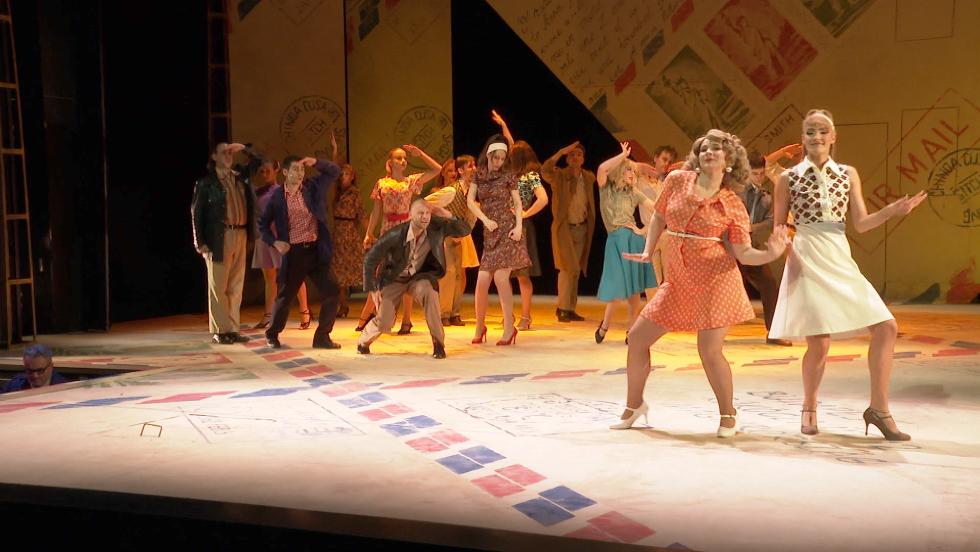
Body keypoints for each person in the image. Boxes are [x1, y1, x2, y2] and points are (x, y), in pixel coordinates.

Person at [613, 129, 789, 438]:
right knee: (638, 338)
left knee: (709, 351)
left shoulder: (732, 203)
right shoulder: (677, 180)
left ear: (729, 160)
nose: (708, 152)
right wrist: (648, 249)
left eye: (716, 149)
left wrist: (771, 254)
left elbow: (743, 253)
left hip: (716, 282)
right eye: (704, 147)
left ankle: (728, 414)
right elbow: (659, 216)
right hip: (678, 281)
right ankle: (634, 405)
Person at [769, 109, 927, 440]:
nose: (816, 136)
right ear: (802, 138)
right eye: (810, 131)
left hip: (839, 254)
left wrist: (893, 210)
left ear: (833, 136)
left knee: (886, 327)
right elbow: (779, 228)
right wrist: (787, 253)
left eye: (822, 131)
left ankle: (879, 409)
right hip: (807, 255)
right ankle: (809, 408)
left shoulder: (847, 174)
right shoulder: (788, 178)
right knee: (819, 342)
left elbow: (862, 223)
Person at [357, 199, 471, 358]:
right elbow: (371, 258)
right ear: (410, 215)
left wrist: (446, 214)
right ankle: (363, 341)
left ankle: (438, 344)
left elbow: (464, 230)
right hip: (394, 279)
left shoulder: (436, 227)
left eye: (427, 213)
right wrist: (372, 288)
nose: (425, 217)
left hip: (418, 277)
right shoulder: (396, 234)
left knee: (430, 293)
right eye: (420, 213)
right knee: (385, 321)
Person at [258, 155, 343, 349]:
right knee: (285, 297)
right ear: (285, 172)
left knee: (332, 291)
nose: (300, 173)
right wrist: (275, 242)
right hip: (295, 253)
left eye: (302, 169)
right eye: (295, 169)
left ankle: (322, 337)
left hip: (316, 250)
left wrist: (317, 163)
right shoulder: (277, 198)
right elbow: (263, 225)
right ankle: (272, 333)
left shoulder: (312, 188)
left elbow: (334, 172)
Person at [361, 145, 443, 334]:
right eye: (399, 158)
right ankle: (380, 315)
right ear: (390, 162)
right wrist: (368, 233)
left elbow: (437, 169)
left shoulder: (410, 181)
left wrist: (420, 154)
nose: (403, 161)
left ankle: (406, 320)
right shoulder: (382, 183)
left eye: (405, 158)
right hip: (387, 230)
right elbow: (376, 210)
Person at [191, 141, 258, 345]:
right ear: (214, 156)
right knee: (218, 286)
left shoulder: (240, 178)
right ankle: (220, 330)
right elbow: (196, 213)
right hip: (219, 236)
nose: (229, 156)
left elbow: (259, 161)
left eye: (230, 152)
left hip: (240, 234)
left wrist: (245, 149)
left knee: (236, 285)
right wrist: (200, 242)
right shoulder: (206, 183)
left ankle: (233, 329)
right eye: (224, 152)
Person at [467, 134, 530, 346]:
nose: (499, 162)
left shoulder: (508, 175)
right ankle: (479, 326)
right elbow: (470, 201)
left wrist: (519, 226)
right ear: (488, 155)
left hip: (509, 230)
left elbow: (518, 203)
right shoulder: (479, 175)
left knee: (501, 278)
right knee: (482, 280)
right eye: (496, 158)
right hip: (490, 232)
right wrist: (485, 220)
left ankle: (508, 328)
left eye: (502, 158)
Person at [594, 142, 658, 344]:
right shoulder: (607, 189)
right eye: (629, 170)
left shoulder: (634, 192)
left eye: (634, 171)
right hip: (616, 241)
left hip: (633, 240)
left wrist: (643, 230)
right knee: (617, 286)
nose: (633, 174)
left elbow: (657, 211)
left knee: (634, 288)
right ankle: (605, 325)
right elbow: (602, 169)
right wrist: (622, 156)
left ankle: (632, 330)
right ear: (620, 171)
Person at [491, 111, 549, 331]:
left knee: (522, 276)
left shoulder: (530, 176)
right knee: (503, 274)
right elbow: (510, 142)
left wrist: (524, 214)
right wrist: (504, 125)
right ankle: (508, 315)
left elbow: (543, 199)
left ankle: (525, 317)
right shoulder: (510, 174)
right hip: (505, 227)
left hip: (521, 228)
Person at [736, 152, 790, 346]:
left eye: (761, 174)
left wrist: (752, 228)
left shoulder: (765, 196)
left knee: (768, 284)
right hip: (731, 247)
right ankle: (710, 333)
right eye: (755, 174)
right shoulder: (736, 191)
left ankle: (773, 332)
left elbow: (770, 220)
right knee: (729, 288)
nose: (759, 178)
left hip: (751, 247)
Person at [251, 158, 311, 330]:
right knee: (269, 277)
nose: (264, 174)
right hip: (266, 238)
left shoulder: (283, 190)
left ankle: (304, 311)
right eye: (262, 171)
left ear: (277, 170)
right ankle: (268, 314)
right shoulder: (258, 192)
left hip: (283, 237)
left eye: (268, 171)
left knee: (294, 275)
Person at [541, 141, 596, 322]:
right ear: (566, 158)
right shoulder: (559, 176)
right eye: (571, 154)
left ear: (583, 158)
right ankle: (563, 308)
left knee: (575, 270)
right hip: (564, 229)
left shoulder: (588, 177)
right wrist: (559, 151)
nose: (575, 157)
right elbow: (545, 170)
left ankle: (570, 308)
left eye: (579, 154)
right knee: (566, 268)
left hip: (582, 228)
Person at [425, 154, 479, 326]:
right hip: (446, 236)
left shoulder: (470, 191)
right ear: (461, 170)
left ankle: (454, 312)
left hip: (459, 236)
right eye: (470, 166)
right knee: (447, 275)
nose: (474, 169)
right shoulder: (451, 191)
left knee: (457, 275)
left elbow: (470, 214)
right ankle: (443, 314)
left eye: (475, 165)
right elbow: (426, 203)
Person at [635, 145, 677, 288]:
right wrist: (641, 167)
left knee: (669, 280)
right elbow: (622, 168)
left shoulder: (669, 181)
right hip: (648, 232)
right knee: (652, 282)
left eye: (670, 161)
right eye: (664, 159)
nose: (667, 164)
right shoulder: (640, 179)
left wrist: (676, 166)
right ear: (655, 158)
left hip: (666, 233)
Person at [332, 162, 367, 320]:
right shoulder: (337, 192)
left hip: (349, 233)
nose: (343, 177)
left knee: (355, 269)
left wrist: (369, 233)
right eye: (341, 174)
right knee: (338, 272)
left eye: (346, 174)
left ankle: (372, 306)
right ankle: (342, 304)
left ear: (352, 177)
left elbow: (361, 214)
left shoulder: (354, 193)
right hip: (338, 233)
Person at [2, 344, 68, 393]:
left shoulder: (64, 388)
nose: (35, 376)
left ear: (51, 367)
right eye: (30, 371)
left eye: (40, 371)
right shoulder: (13, 385)